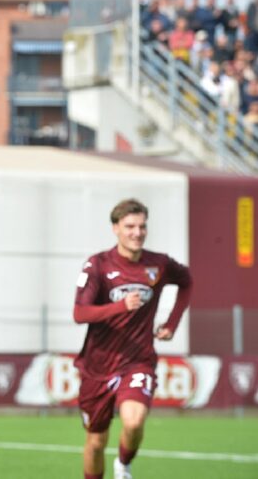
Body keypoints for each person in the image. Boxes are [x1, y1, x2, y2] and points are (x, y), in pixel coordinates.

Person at [73, 199, 192, 479]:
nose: (137, 232)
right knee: (95, 443)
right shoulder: (98, 265)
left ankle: (124, 464)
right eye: (130, 226)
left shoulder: (159, 264)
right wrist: (120, 306)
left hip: (138, 361)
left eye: (142, 226)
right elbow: (80, 313)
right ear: (116, 228)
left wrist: (172, 322)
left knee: (134, 421)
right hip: (97, 366)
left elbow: (187, 281)